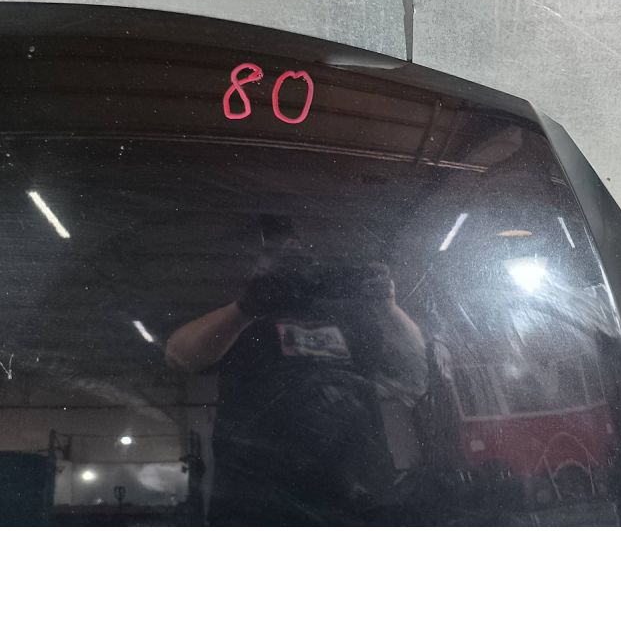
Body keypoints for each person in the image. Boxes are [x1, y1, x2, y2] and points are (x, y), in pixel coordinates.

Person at [165, 217, 427, 525]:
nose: (292, 261)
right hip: (258, 499)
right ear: (253, 266)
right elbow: (179, 357)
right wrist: (244, 309)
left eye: (300, 252)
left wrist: (389, 308)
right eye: (275, 254)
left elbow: (415, 365)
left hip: (357, 495)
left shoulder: (350, 314)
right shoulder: (239, 317)